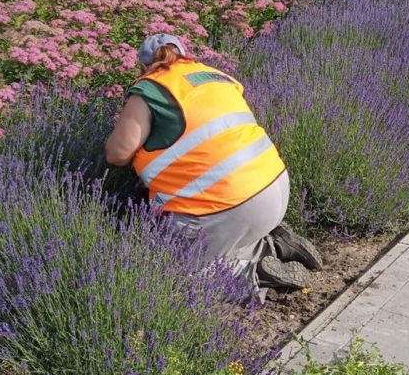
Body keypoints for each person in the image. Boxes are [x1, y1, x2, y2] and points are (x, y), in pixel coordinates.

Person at [105, 34, 323, 295]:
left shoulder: (151, 88)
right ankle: (273, 243)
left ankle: (253, 271)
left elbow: (117, 154)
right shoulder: (216, 76)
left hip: (228, 206)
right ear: (184, 55)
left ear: (144, 66)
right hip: (274, 189)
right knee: (224, 233)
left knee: (166, 269)